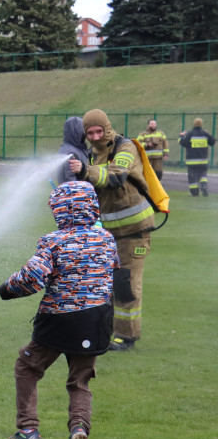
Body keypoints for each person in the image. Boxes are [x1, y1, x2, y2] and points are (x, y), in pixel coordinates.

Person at [0, 181, 118, 439]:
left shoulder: (53, 240)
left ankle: (28, 430)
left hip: (59, 319)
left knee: (28, 367)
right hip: (97, 320)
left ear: (60, 210)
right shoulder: (107, 239)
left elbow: (31, 278)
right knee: (80, 381)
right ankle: (79, 431)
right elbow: (115, 267)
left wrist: (6, 289)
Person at [69, 109, 154, 352]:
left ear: (108, 128)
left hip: (135, 231)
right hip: (109, 233)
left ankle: (126, 337)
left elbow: (116, 176)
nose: (96, 136)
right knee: (107, 284)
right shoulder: (92, 154)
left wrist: (85, 171)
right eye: (90, 132)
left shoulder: (125, 147)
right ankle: (107, 330)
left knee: (125, 284)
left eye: (99, 131)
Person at [179, 118, 215, 197]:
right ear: (201, 125)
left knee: (192, 177)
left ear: (194, 124)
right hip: (203, 161)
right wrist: (208, 134)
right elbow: (213, 142)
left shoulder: (190, 133)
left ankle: (194, 192)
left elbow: (183, 143)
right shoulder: (205, 134)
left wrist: (181, 136)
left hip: (192, 161)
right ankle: (204, 186)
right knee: (203, 174)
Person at [54, 116, 87, 186]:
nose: (85, 133)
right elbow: (70, 180)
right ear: (77, 131)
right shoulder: (70, 152)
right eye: (83, 129)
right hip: (77, 195)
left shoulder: (76, 148)